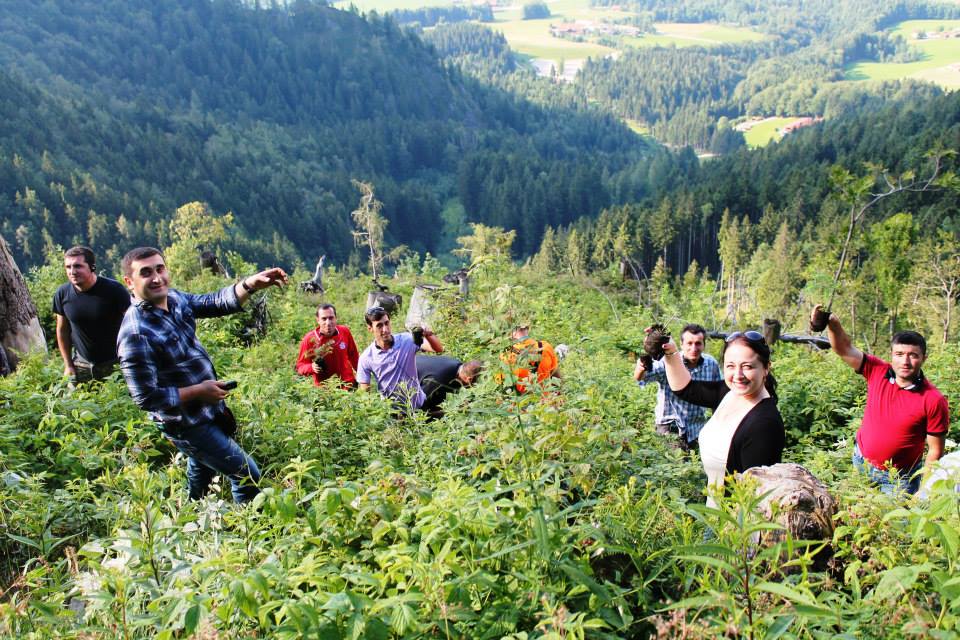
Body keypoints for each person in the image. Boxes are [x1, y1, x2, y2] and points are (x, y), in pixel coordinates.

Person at [117, 246, 288, 504]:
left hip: (207, 411)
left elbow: (212, 302)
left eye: (160, 269)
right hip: (185, 423)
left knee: (202, 465)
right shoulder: (136, 333)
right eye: (146, 273)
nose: (157, 278)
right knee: (246, 473)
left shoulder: (173, 299)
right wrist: (199, 391)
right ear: (129, 282)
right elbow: (146, 398)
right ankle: (248, 525)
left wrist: (250, 284)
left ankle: (193, 510)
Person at [813, 305, 948, 495]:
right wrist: (832, 322)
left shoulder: (933, 399)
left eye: (913, 355)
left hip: (898, 479)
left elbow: (935, 450)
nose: (905, 361)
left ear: (924, 358)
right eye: (899, 354)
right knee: (855, 510)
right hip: (861, 463)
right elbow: (844, 349)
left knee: (892, 516)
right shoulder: (877, 371)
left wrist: (924, 490)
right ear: (891, 355)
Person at [662, 330, 785, 506]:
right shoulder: (730, 392)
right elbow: (686, 388)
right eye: (730, 366)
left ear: (766, 368)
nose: (738, 375)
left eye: (747, 366)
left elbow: (754, 499)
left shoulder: (764, 424)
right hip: (714, 511)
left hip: (732, 520)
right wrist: (671, 352)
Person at [633, 323, 722, 450]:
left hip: (697, 428)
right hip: (670, 427)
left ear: (704, 345)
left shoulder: (711, 364)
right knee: (674, 462)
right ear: (681, 344)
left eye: (698, 343)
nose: (693, 348)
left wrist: (718, 424)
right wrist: (642, 365)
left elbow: (718, 396)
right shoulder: (667, 361)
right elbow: (641, 377)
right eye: (689, 343)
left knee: (694, 462)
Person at [52, 246, 131, 384]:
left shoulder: (114, 290)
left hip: (116, 364)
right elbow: (62, 330)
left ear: (92, 267)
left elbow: (133, 324)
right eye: (68, 267)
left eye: (78, 266)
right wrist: (68, 365)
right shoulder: (62, 293)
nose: (72, 271)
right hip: (81, 365)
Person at [356, 306, 443, 413]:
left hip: (420, 406)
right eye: (379, 326)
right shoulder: (366, 358)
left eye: (387, 323)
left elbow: (438, 349)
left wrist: (429, 335)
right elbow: (365, 394)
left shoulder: (407, 339)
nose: (385, 329)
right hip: (393, 413)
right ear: (370, 329)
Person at [295, 303, 359, 388]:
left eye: (331, 318)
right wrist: (311, 367)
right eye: (324, 319)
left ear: (336, 318)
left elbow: (354, 356)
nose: (328, 322)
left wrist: (363, 377)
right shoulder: (310, 339)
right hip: (326, 390)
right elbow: (300, 366)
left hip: (348, 384)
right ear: (318, 320)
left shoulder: (344, 331)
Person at [416, 355, 483, 417]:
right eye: (476, 384)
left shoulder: (457, 366)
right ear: (469, 379)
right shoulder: (439, 379)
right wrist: (447, 412)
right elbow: (417, 406)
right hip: (411, 375)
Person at [501, 325, 559, 393]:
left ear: (511, 334)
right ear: (527, 329)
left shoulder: (506, 354)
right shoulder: (546, 347)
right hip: (545, 397)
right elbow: (556, 375)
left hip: (522, 398)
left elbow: (504, 384)